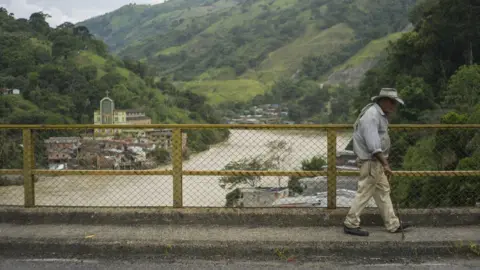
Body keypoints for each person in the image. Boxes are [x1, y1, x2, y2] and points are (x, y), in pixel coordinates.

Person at [343, 88, 411, 236]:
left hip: (376, 162)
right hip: (371, 161)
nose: (394, 106)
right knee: (365, 192)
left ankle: (392, 223)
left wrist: (383, 162)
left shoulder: (379, 115)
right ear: (384, 101)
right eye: (392, 102)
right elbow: (373, 145)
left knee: (383, 192)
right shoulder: (371, 116)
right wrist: (385, 163)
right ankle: (350, 223)